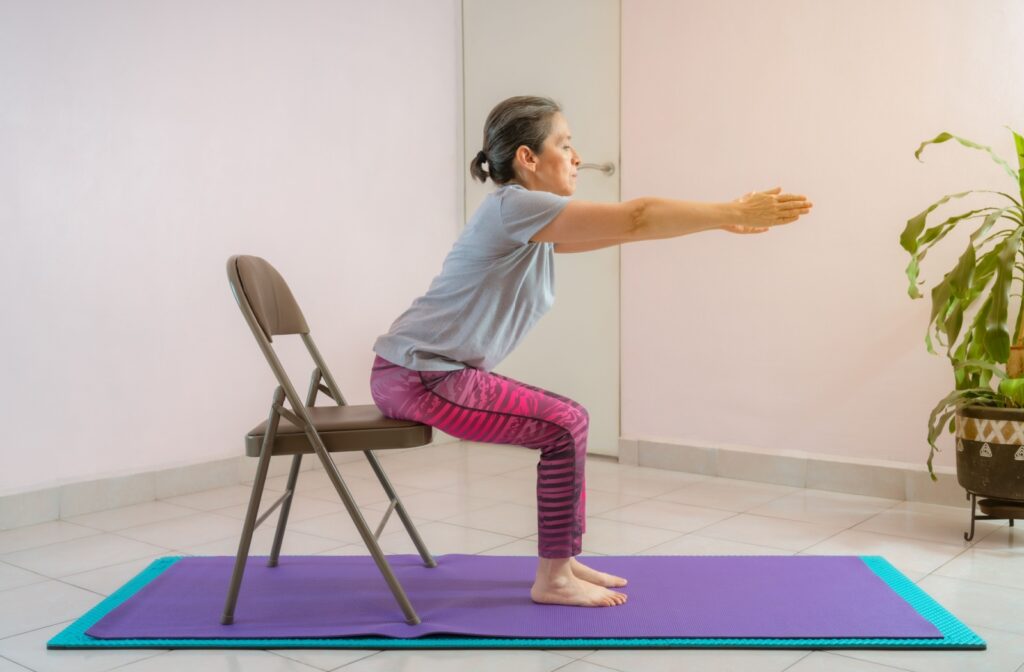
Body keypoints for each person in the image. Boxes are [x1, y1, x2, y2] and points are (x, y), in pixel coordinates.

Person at [370, 95, 813, 608]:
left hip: (419, 372)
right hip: (420, 375)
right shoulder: (513, 206)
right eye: (564, 144)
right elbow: (638, 217)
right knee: (565, 424)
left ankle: (562, 561)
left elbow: (629, 228)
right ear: (527, 159)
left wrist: (717, 222)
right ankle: (553, 576)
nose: (577, 157)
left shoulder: (526, 222)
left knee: (567, 423)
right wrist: (731, 209)